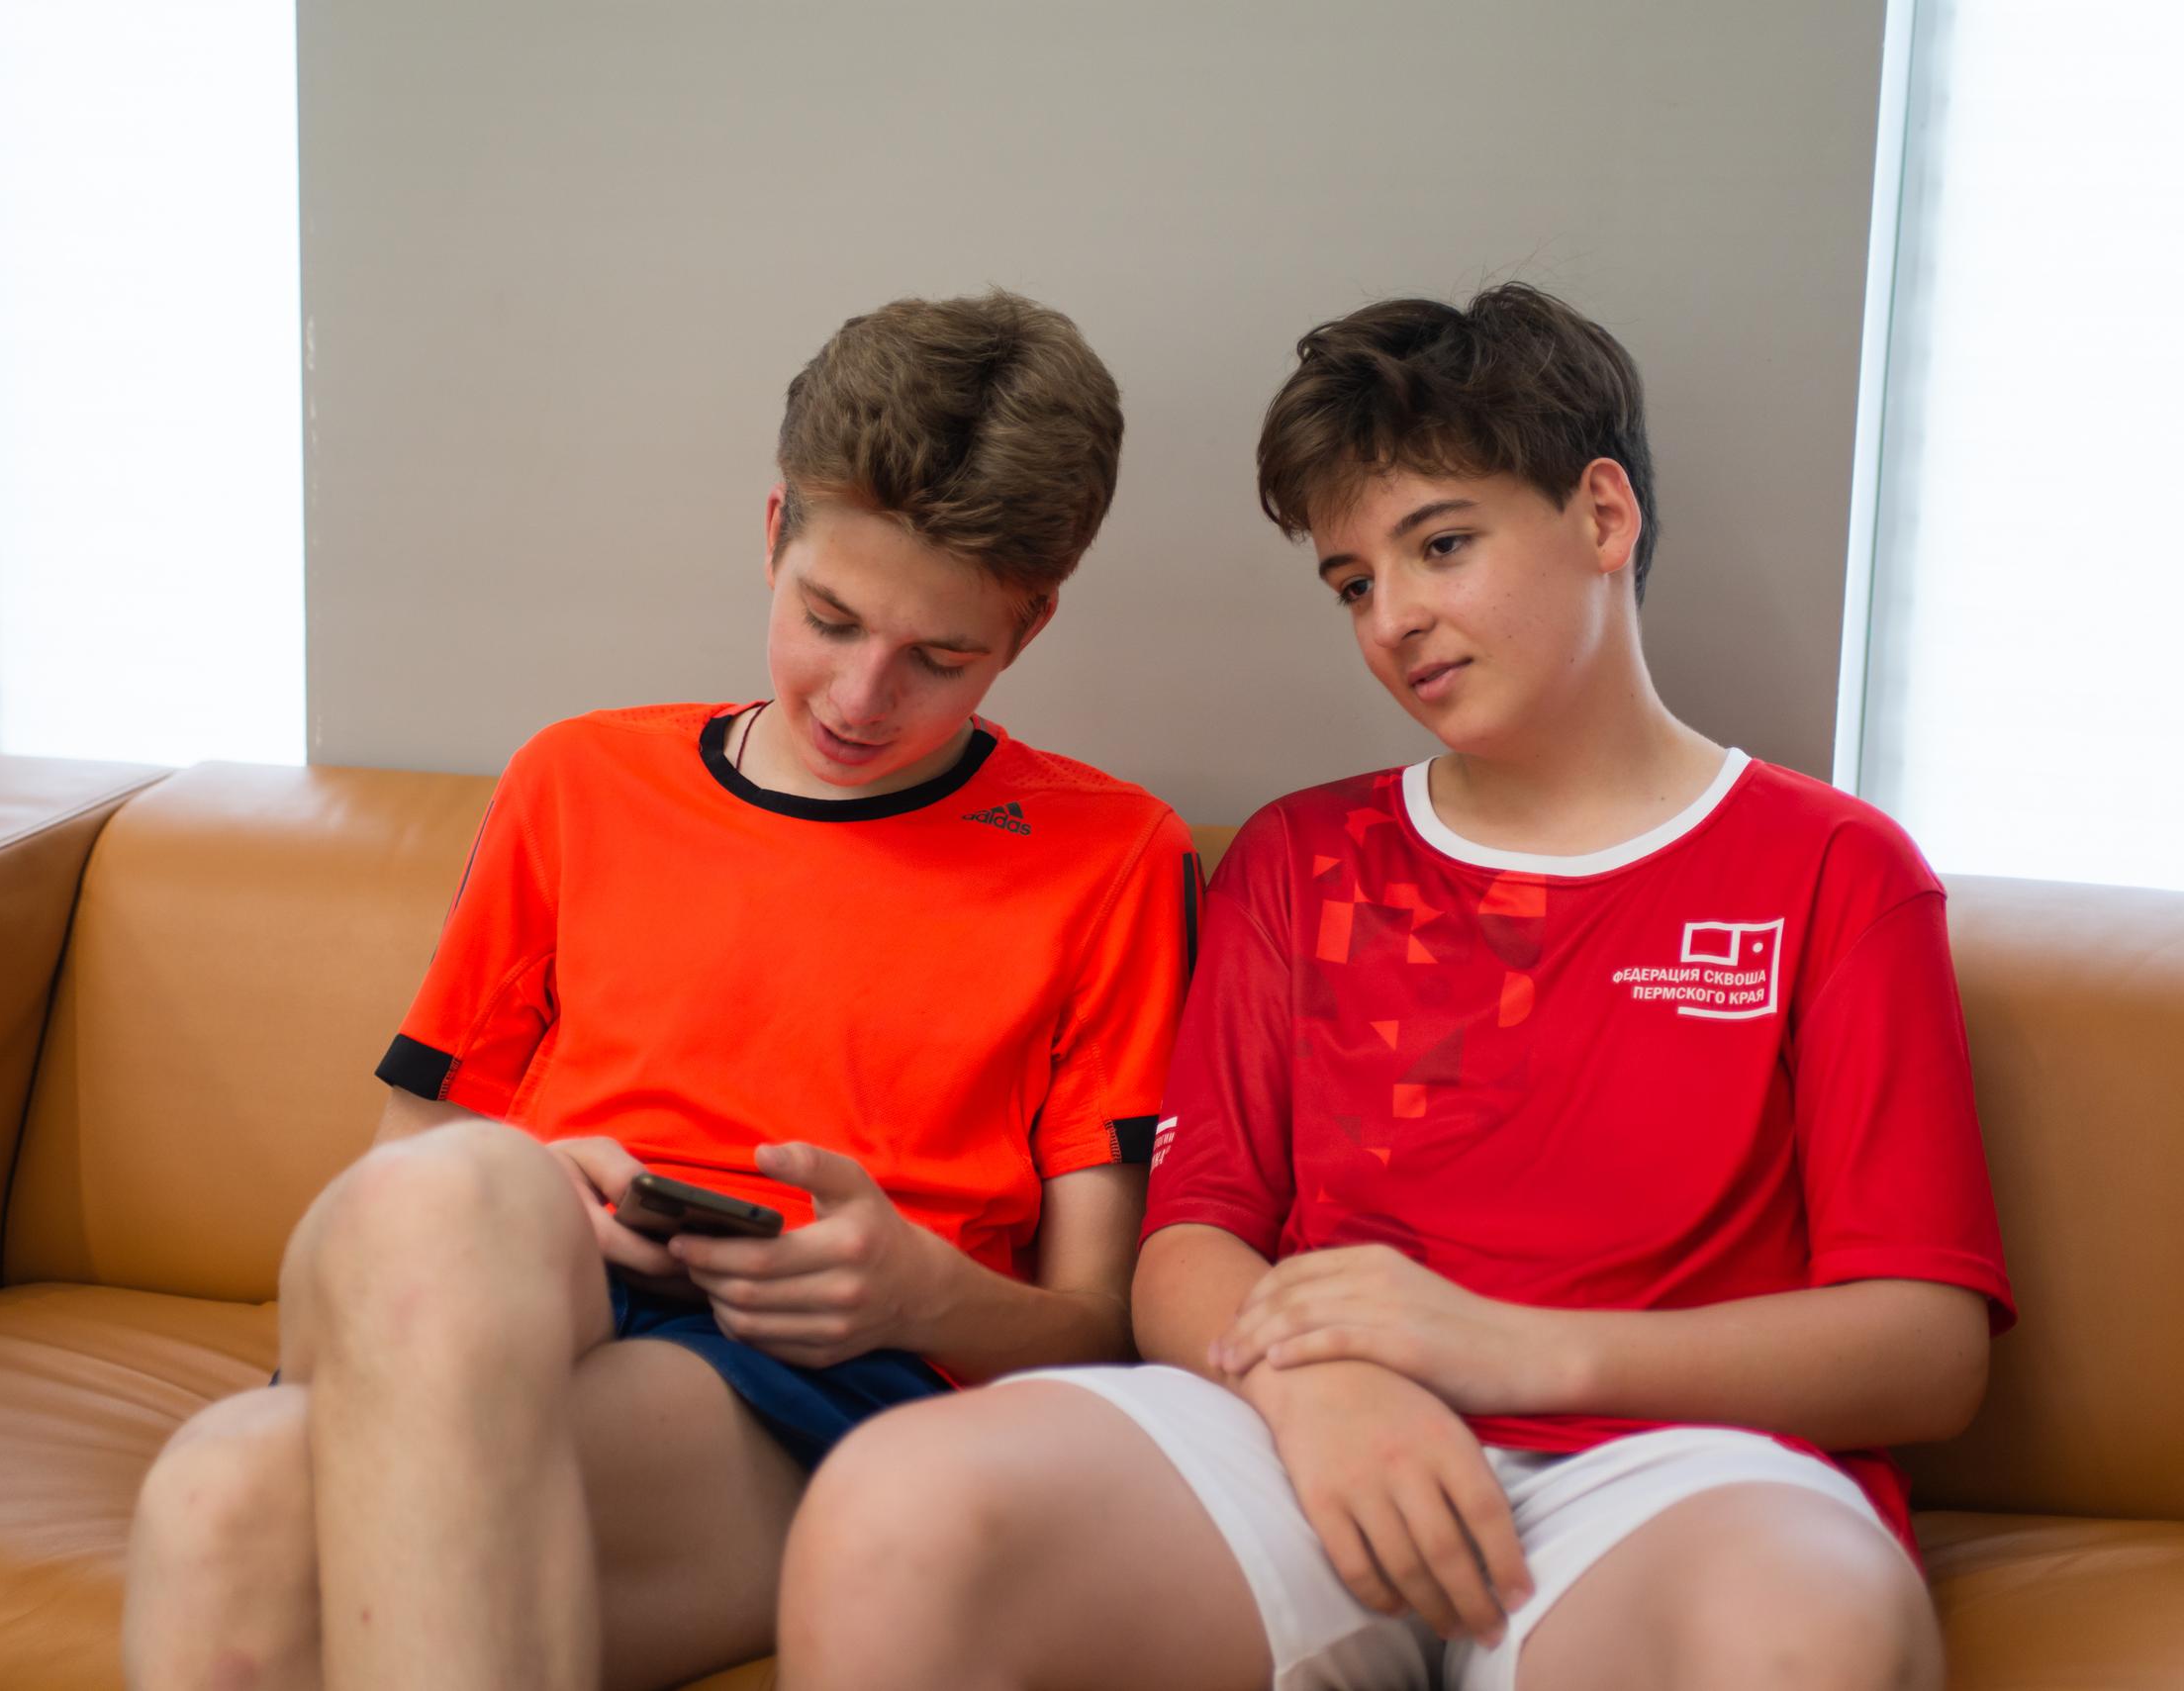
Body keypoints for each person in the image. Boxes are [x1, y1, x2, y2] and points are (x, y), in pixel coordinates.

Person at [776, 283, 2014, 1691]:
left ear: (1604, 515)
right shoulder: (1299, 859)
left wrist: (1508, 1354)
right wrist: (1313, 1389)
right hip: (1303, 1439)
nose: (1395, 619)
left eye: (1442, 545)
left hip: (1672, 1471)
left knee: (1805, 1633)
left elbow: (1927, 1349)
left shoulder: (1834, 868)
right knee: (893, 1508)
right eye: (1354, 583)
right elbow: (1191, 1246)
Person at [120, 290, 1200, 1691]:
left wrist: (920, 1294)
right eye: (828, 618)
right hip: (502, 1294)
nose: (861, 696)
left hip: (816, 1383)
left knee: (222, 1495)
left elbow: (1102, 1326)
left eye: (939, 659)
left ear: (1030, 622)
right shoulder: (577, 780)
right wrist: (541, 1185)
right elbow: (398, 1184)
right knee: (459, 1191)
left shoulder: (1111, 856)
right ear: (774, 532)